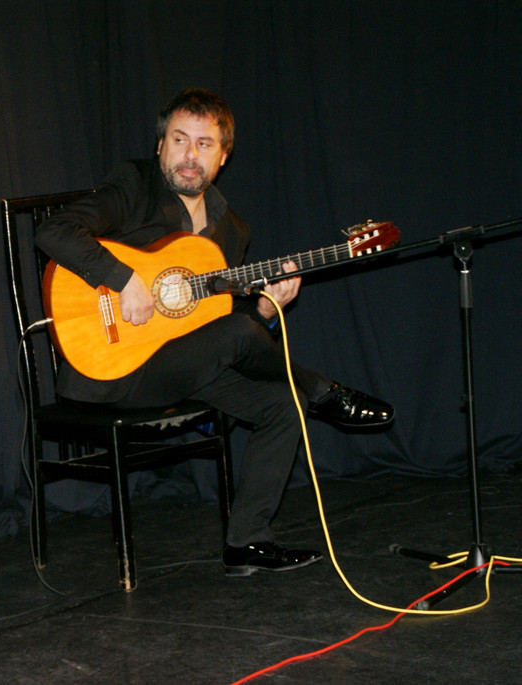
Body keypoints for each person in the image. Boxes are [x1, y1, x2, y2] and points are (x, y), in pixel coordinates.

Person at [34, 88, 393, 578]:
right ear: (160, 144)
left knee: (279, 402)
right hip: (113, 368)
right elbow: (54, 232)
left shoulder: (232, 229)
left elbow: (226, 320)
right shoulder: (134, 184)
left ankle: (248, 542)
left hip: (182, 363)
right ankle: (323, 391)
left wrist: (267, 307)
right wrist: (122, 278)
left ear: (223, 156)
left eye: (204, 144)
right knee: (242, 340)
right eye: (179, 140)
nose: (189, 155)